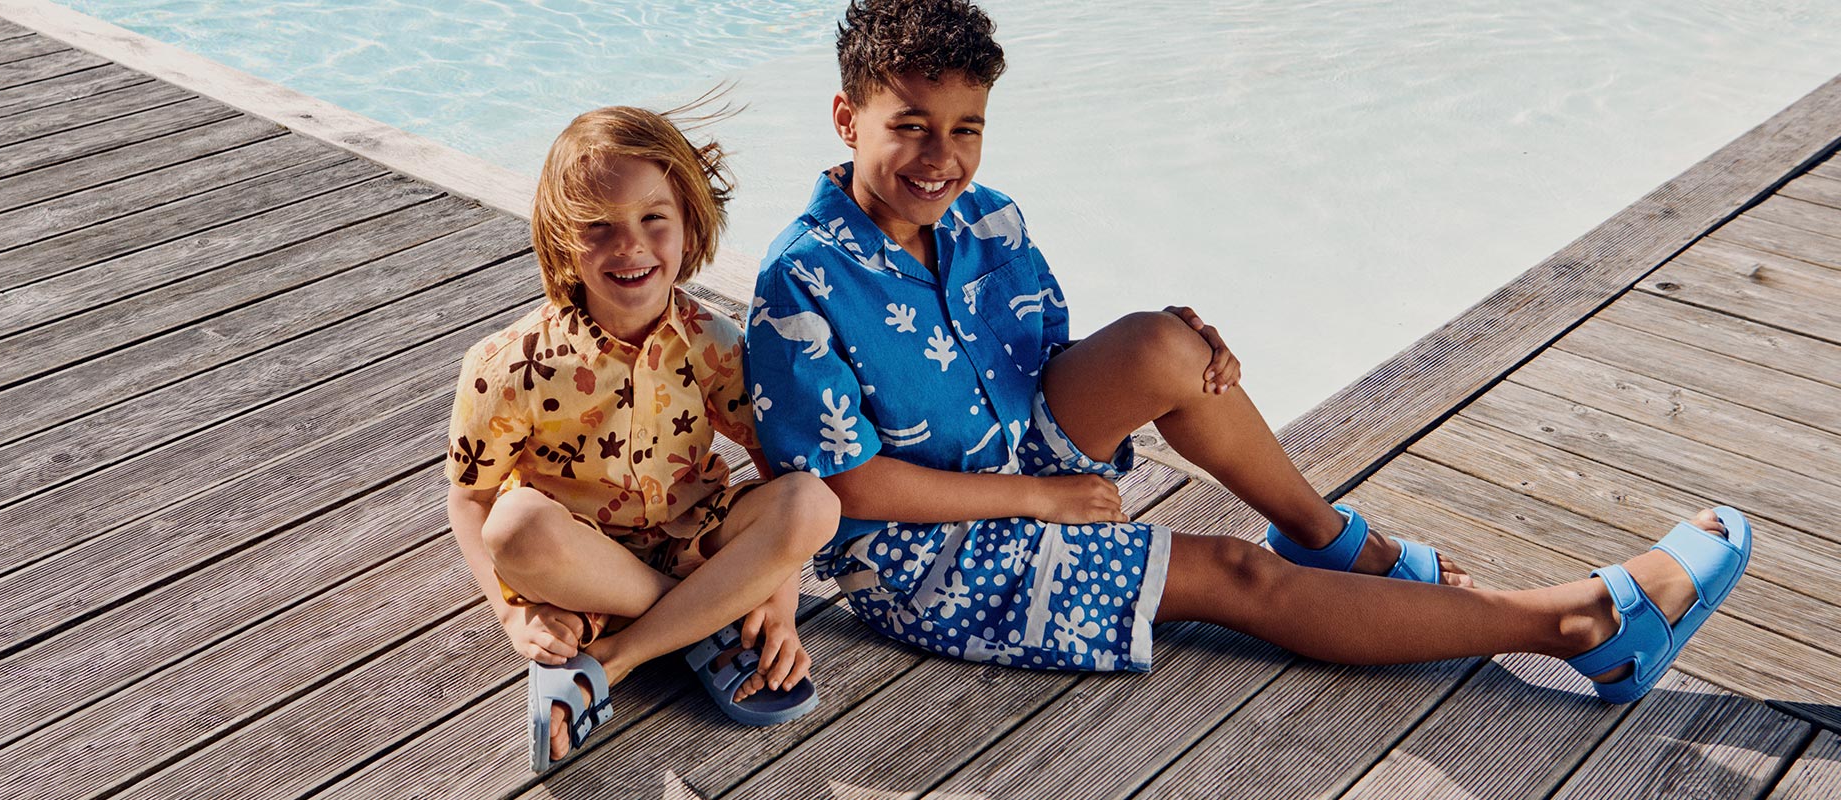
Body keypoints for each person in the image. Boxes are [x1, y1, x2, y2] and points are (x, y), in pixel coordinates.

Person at [746, 0, 1749, 703]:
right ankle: (1581, 627)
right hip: (927, 557)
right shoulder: (803, 280)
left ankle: (1326, 534)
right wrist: (1040, 501)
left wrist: (1170, 347)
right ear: (847, 119)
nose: (942, 158)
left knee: (1162, 343)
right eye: (910, 127)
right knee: (1234, 574)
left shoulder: (989, 218)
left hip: (1017, 465)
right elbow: (846, 487)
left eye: (966, 129)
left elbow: (1044, 364)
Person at [445, 106, 840, 771]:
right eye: (597, 226)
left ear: (689, 222)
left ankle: (614, 656)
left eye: (653, 217)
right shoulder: (508, 365)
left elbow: (772, 462)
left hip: (692, 541)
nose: (629, 246)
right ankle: (705, 619)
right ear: (561, 238)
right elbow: (471, 499)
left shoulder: (713, 343)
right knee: (514, 527)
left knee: (812, 503)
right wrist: (514, 616)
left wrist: (778, 598)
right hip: (583, 563)